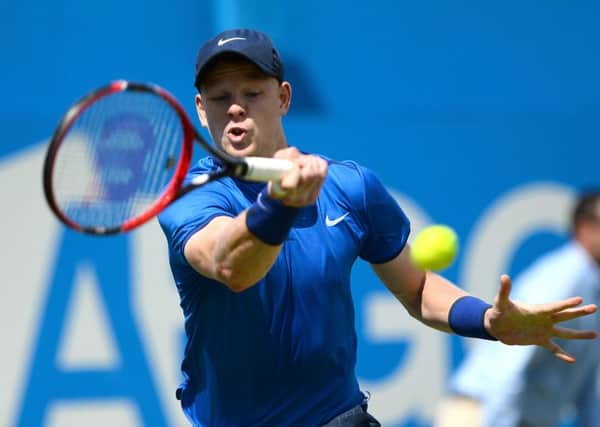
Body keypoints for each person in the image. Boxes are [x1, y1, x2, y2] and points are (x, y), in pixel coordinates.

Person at [157, 28, 598, 426]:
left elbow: (417, 288)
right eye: (219, 97)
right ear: (200, 107)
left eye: (252, 92)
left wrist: (486, 320)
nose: (235, 108)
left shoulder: (352, 188)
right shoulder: (188, 197)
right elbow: (232, 266)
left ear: (284, 98)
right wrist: (281, 204)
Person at [434, 191, 600, 427]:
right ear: (584, 228)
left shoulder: (593, 284)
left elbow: (586, 387)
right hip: (480, 413)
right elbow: (510, 363)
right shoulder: (566, 277)